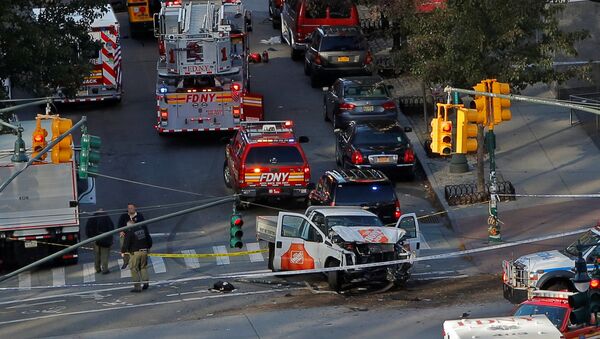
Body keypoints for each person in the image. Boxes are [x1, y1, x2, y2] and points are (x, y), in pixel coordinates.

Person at [121, 220, 153, 293]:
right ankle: (146, 283)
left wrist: (123, 251)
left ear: (129, 226)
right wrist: (148, 248)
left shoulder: (130, 232)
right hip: (145, 251)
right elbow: (149, 240)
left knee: (133, 268)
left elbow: (126, 244)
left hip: (135, 253)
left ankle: (137, 287)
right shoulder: (143, 230)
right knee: (143, 267)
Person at [85, 209, 114, 274]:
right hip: (105, 239)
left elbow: (87, 229)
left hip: (95, 239)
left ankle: (97, 268)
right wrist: (110, 238)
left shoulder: (91, 218)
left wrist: (90, 238)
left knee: (97, 255)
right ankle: (105, 269)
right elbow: (111, 228)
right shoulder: (107, 218)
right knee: (105, 255)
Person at [117, 203, 145, 269]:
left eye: (131, 208)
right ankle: (126, 261)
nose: (130, 209)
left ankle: (137, 262)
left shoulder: (139, 216)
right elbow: (119, 225)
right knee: (123, 248)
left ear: (135, 208)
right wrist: (121, 231)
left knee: (136, 250)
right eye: (129, 208)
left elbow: (143, 226)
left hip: (135, 236)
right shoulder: (124, 216)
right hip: (125, 235)